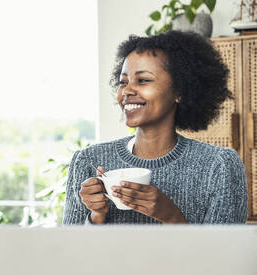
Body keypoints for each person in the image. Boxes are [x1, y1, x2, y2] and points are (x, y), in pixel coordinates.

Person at [63, 30, 247, 225]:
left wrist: (170, 215)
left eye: (143, 80)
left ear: (179, 91)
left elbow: (223, 254)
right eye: (122, 82)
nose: (127, 91)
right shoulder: (88, 161)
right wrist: (96, 216)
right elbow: (69, 252)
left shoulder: (218, 166)